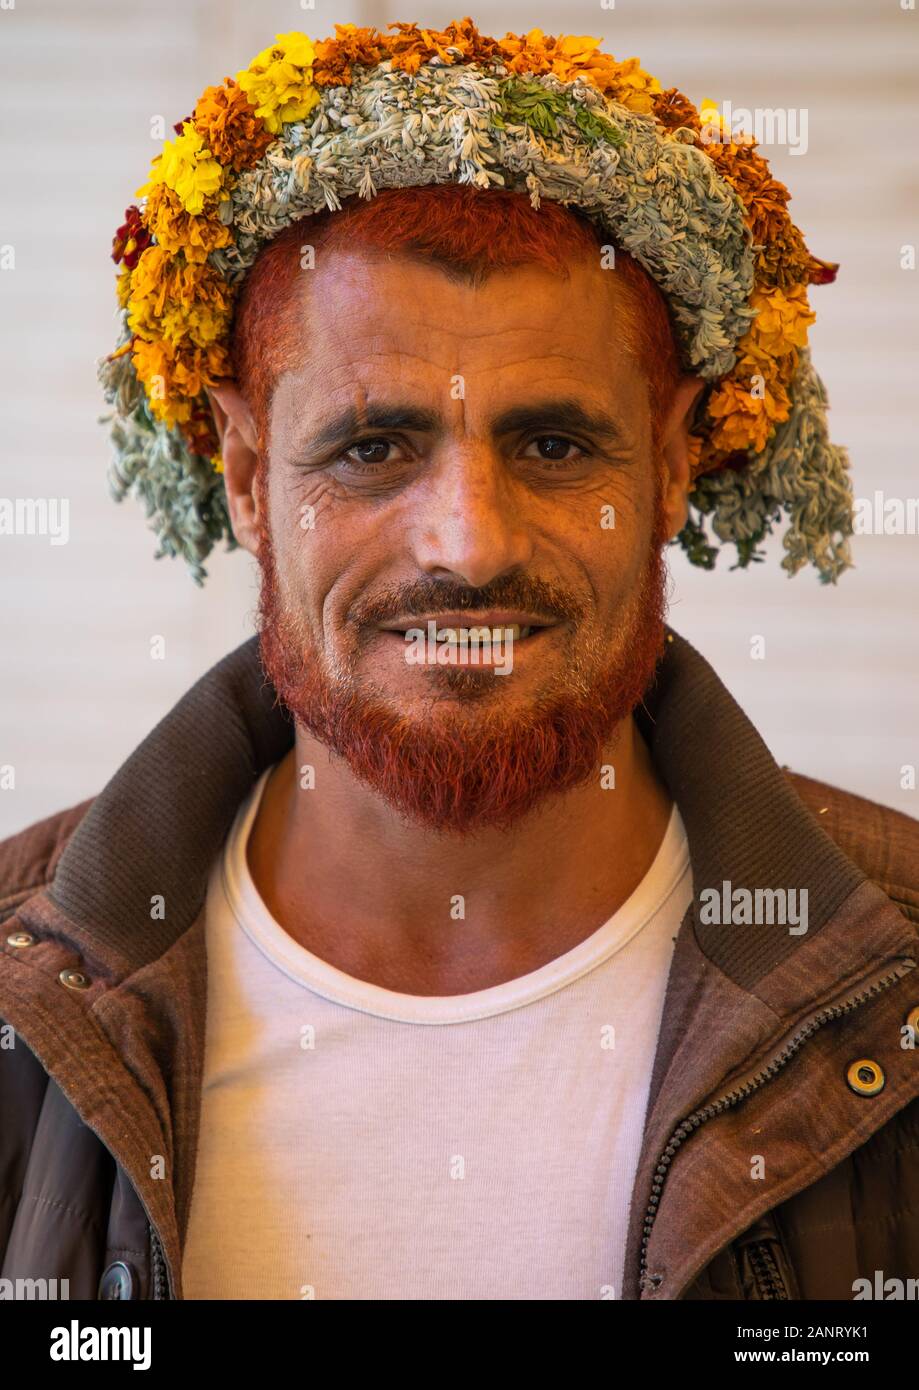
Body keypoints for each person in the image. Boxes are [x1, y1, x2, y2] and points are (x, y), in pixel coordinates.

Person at [1, 20, 917, 1302]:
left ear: (670, 466)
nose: (469, 543)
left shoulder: (893, 971)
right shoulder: (22, 982)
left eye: (553, 447)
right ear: (249, 477)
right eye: (374, 448)